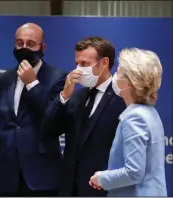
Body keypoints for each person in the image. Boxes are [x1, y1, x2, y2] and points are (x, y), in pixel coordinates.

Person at [0, 23, 67, 197]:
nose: (24, 48)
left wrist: (32, 84)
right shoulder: (1, 81)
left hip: (43, 180)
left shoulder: (58, 78)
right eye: (19, 43)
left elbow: (54, 120)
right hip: (9, 181)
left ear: (42, 47)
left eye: (30, 44)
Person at [41, 36, 126, 196]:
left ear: (104, 63)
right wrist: (64, 96)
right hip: (70, 189)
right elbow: (47, 131)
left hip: (103, 189)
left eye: (84, 64)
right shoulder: (75, 97)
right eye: (77, 63)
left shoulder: (122, 98)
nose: (77, 69)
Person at [89, 48, 167, 196]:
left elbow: (134, 172)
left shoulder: (135, 118)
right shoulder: (149, 113)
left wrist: (102, 178)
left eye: (118, 72)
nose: (114, 77)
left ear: (129, 83)